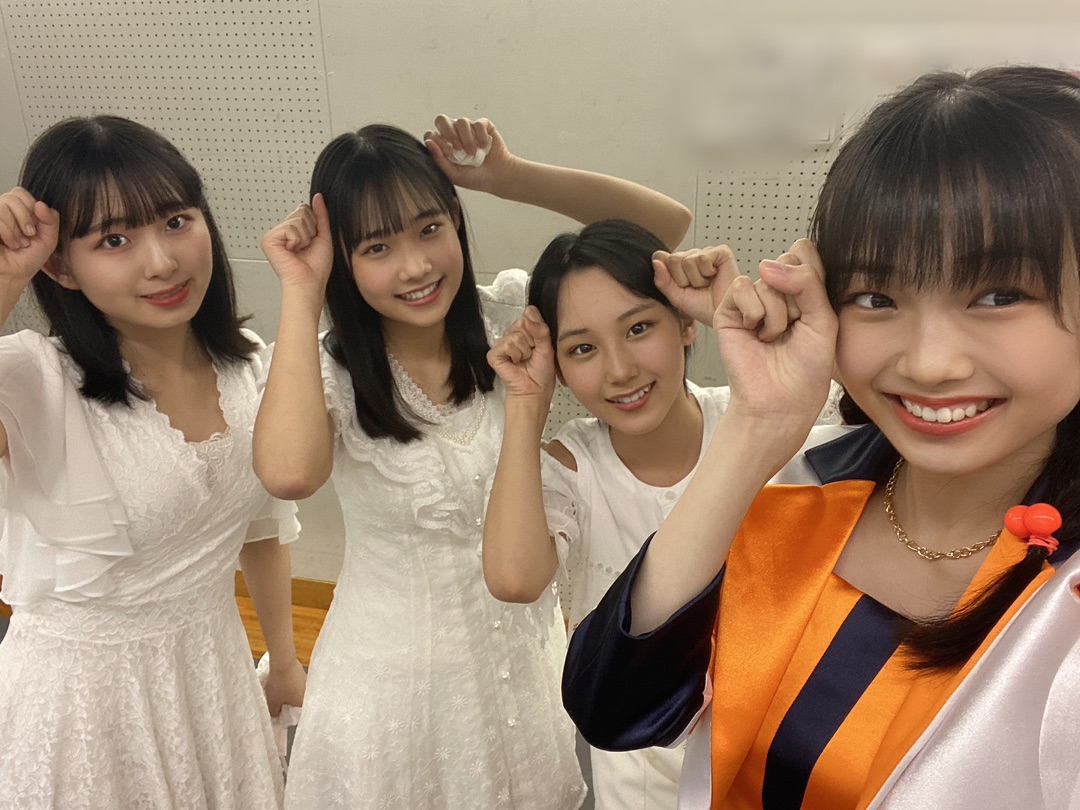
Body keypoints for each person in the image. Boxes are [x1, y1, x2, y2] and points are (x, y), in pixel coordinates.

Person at [562, 65, 1080, 810]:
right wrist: (758, 426)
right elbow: (615, 708)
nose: (930, 363)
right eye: (876, 297)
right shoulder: (805, 495)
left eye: (1000, 295)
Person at [254, 116, 692, 808]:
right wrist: (301, 290)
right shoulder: (329, 372)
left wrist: (508, 177)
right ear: (344, 260)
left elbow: (661, 230)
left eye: (429, 229)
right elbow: (288, 474)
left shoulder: (511, 318)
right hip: (390, 691)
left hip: (521, 669)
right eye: (377, 247)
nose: (415, 266)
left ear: (456, 220)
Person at [483, 219, 842, 809]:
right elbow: (513, 579)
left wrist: (738, 317)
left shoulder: (759, 414)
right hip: (641, 769)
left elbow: (874, 406)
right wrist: (525, 402)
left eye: (638, 328)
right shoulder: (575, 467)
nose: (620, 369)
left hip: (771, 751)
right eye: (582, 349)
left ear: (685, 323)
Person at [0, 116, 304, 808]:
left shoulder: (250, 366)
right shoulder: (32, 379)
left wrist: (283, 660)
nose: (162, 261)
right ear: (60, 266)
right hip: (80, 709)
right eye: (114, 239)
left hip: (213, 677)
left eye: (175, 221)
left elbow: (263, 525)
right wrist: (4, 276)